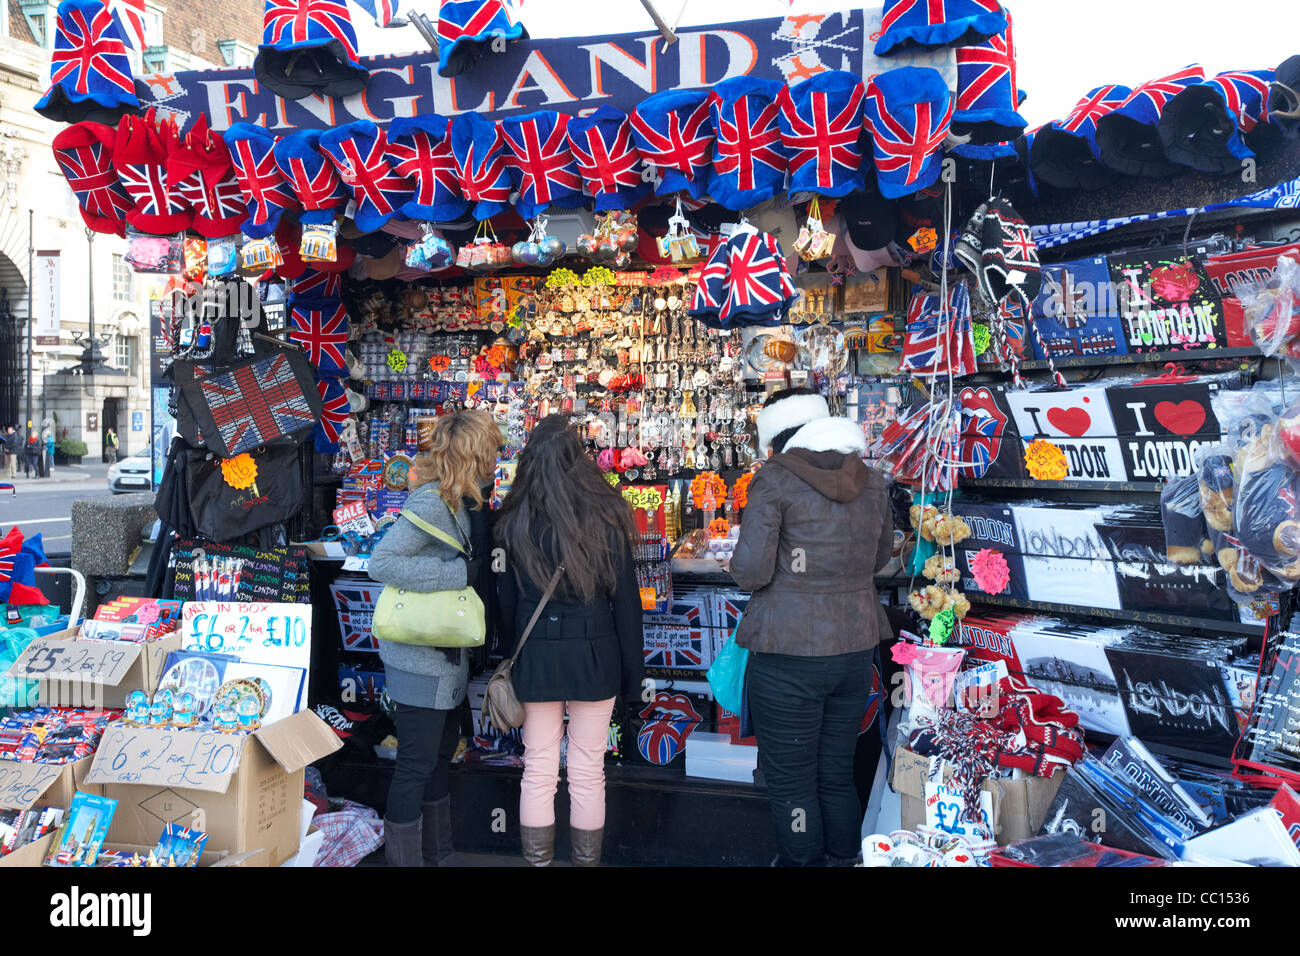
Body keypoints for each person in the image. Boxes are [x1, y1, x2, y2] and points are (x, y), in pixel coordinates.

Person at [727, 387, 894, 867]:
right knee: (836, 773)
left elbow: (752, 570)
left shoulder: (774, 480)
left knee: (793, 781)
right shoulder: (871, 479)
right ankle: (844, 860)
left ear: (777, 436)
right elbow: (879, 559)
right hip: (854, 649)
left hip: (789, 654)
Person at [494, 414, 645, 867]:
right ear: (578, 460)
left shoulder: (512, 519)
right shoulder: (607, 513)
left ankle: (537, 863)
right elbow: (627, 605)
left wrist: (508, 653)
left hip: (535, 654)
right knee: (587, 770)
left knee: (538, 769)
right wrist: (633, 677)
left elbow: (504, 601)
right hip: (595, 654)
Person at [367, 409, 502, 867]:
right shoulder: (432, 503)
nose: (498, 458)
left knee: (441, 754)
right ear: (474, 455)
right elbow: (381, 562)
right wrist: (454, 574)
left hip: (447, 651)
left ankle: (438, 855)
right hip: (418, 654)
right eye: (492, 450)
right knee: (417, 762)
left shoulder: (466, 502)